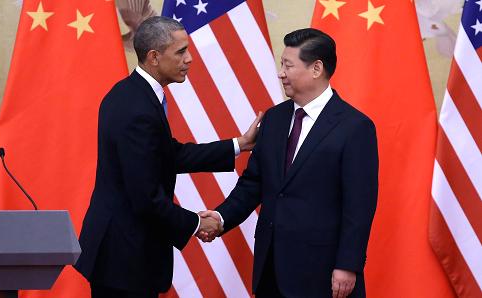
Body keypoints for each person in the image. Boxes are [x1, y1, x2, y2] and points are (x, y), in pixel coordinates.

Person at [74, 16, 261, 297]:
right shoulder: (136, 107)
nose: (189, 59)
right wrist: (198, 223)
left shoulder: (134, 94)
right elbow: (145, 198)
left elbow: (170, 154)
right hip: (123, 259)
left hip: (126, 254)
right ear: (154, 57)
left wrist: (239, 144)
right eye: (181, 51)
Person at [200, 28, 378, 298]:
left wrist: (347, 264)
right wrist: (221, 217)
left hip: (323, 271)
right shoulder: (273, 119)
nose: (281, 73)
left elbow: (359, 205)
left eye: (288, 65)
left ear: (316, 68)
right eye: (281, 65)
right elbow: (253, 183)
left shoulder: (355, 127)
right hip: (271, 267)